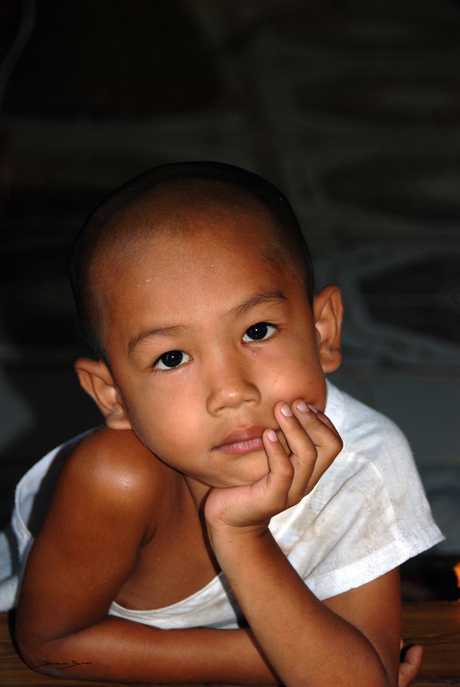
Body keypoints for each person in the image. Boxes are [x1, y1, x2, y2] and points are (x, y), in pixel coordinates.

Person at [4, 162, 442, 686]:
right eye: (171, 359)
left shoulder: (364, 460)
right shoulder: (117, 477)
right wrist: (273, 660)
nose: (232, 392)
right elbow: (52, 651)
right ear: (114, 395)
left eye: (257, 330)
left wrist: (240, 537)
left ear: (323, 331)